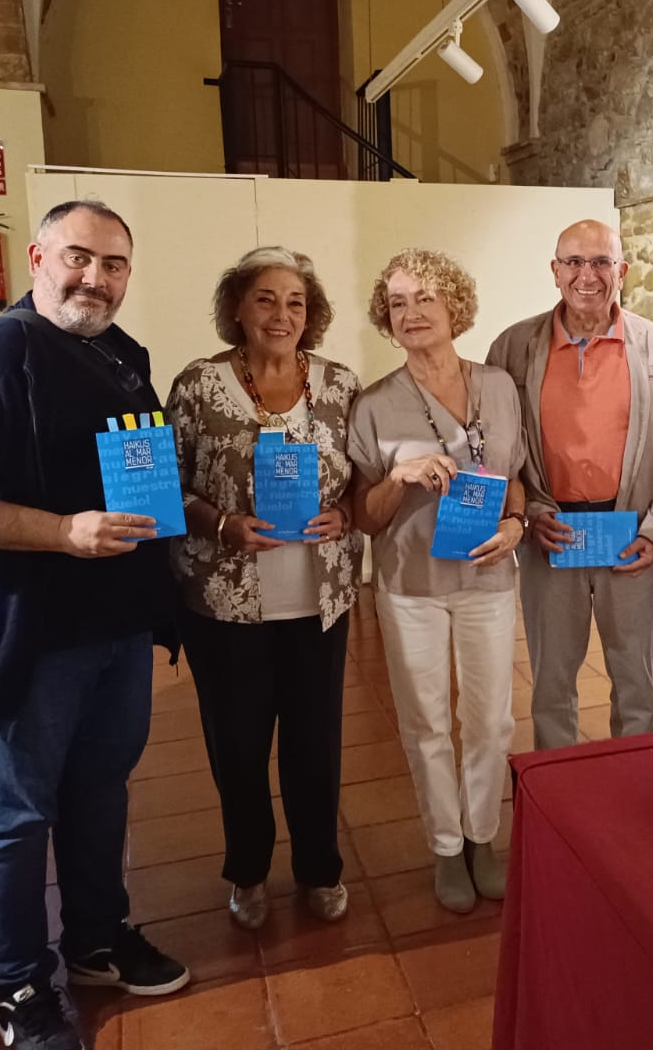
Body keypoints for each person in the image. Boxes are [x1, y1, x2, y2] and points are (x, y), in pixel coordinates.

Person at [0, 201, 188, 1050]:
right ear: (38, 255)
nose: (96, 278)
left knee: (100, 790)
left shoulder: (120, 356)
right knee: (14, 817)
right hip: (26, 639)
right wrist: (60, 532)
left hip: (113, 632)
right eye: (80, 258)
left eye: (115, 264)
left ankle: (93, 940)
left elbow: (139, 472)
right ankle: (16, 990)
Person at [165, 248, 361, 933]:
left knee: (316, 743)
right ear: (238, 310)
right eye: (267, 299)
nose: (282, 314)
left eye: (296, 302)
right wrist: (220, 525)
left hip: (320, 597)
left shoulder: (340, 385)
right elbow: (169, 484)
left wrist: (350, 512)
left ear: (312, 315)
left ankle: (320, 867)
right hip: (224, 601)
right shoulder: (196, 384)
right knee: (238, 747)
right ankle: (248, 870)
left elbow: (362, 475)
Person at [348, 249, 527, 913]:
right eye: (397, 303)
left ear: (454, 305)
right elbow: (365, 519)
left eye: (425, 298)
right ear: (385, 320)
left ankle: (483, 836)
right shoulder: (375, 405)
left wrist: (515, 526)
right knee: (426, 723)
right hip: (410, 586)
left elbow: (515, 478)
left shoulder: (500, 388)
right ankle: (446, 846)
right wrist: (396, 479)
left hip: (487, 578)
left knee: (490, 720)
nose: (413, 312)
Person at [486, 220, 653, 749]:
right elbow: (497, 450)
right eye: (573, 262)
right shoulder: (511, 348)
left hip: (630, 537)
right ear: (554, 272)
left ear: (622, 270)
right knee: (551, 682)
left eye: (600, 262)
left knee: (636, 681)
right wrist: (527, 516)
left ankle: (635, 786)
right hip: (552, 535)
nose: (587, 275)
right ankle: (559, 794)